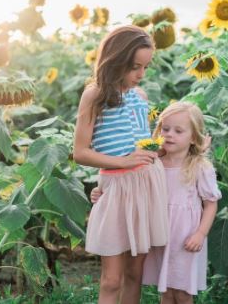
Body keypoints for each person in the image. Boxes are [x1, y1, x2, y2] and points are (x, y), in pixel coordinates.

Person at [73, 25, 168, 304]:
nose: (141, 74)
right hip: (115, 187)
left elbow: (144, 146)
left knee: (134, 273)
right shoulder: (95, 96)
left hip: (145, 185)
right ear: (115, 61)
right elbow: (80, 152)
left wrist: (162, 146)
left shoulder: (140, 97)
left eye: (145, 67)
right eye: (135, 67)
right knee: (111, 280)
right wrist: (122, 162)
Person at [91, 101, 222, 304]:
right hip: (159, 233)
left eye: (178, 131)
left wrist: (200, 234)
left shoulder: (199, 167)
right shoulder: (153, 162)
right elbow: (127, 185)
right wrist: (101, 193)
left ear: (193, 137)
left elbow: (211, 203)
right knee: (166, 292)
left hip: (185, 236)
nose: (169, 134)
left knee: (182, 292)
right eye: (165, 128)